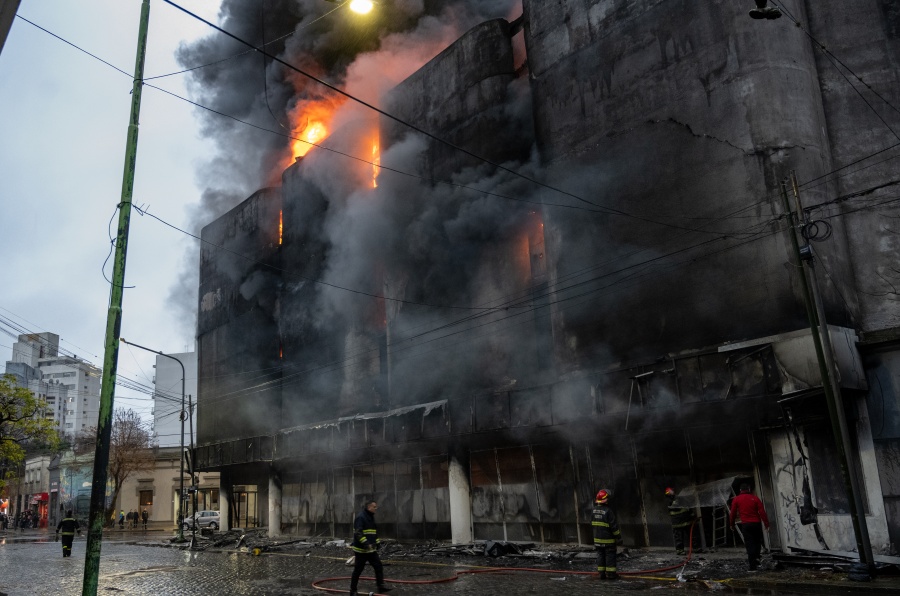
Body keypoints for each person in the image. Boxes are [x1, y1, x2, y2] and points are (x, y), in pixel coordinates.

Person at [349, 500, 392, 595]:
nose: (376, 509)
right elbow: (358, 533)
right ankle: (353, 591)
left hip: (371, 550)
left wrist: (377, 543)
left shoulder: (370, 517)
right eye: (374, 507)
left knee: (378, 566)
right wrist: (366, 543)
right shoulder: (361, 517)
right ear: (369, 507)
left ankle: (380, 586)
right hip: (361, 550)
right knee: (358, 570)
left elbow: (373, 532)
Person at [729, 483, 770, 571]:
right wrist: (766, 524)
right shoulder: (755, 498)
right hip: (756, 524)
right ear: (749, 489)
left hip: (746, 525)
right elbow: (762, 512)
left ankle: (752, 567)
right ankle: (757, 558)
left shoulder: (736, 499)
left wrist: (731, 524)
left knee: (750, 544)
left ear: (740, 490)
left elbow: (732, 513)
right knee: (757, 542)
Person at [591, 489, 621, 580]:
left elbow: (592, 523)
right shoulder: (608, 511)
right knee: (610, 556)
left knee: (600, 555)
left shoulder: (593, 510)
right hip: (608, 540)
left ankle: (601, 574)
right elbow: (614, 527)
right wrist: (618, 537)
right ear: (606, 500)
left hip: (597, 539)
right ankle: (611, 574)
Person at [665, 487, 695, 555]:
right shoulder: (669, 502)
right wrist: (691, 514)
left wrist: (691, 514)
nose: (670, 494)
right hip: (678, 523)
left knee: (691, 535)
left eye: (670, 492)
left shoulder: (680, 499)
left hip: (684, 521)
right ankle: (680, 551)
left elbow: (687, 506)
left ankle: (696, 548)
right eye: (668, 493)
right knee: (679, 537)